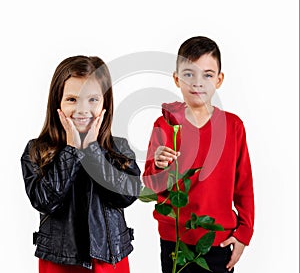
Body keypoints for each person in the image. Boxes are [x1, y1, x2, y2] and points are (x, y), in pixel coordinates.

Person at [143, 36, 254, 272]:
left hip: (218, 239)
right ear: (176, 78)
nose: (197, 83)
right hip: (174, 239)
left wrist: (244, 233)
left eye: (208, 74)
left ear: (219, 79)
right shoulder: (163, 125)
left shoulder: (233, 127)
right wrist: (160, 166)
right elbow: (151, 185)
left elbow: (243, 184)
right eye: (189, 74)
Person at [21, 55, 141, 273]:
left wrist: (93, 150)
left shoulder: (119, 149)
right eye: (72, 100)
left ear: (106, 102)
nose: (82, 110)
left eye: (92, 99)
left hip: (109, 260)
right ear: (57, 102)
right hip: (59, 261)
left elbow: (126, 195)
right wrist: (72, 150)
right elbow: (44, 201)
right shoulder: (37, 150)